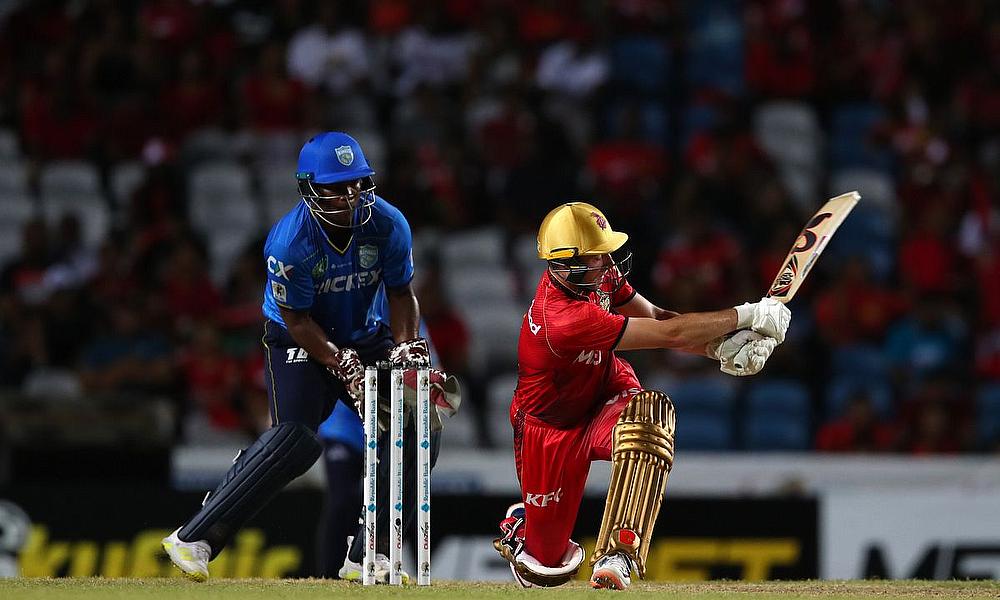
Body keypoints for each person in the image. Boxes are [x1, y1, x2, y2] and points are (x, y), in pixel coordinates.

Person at [162, 131, 457, 583]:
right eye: (336, 188)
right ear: (308, 189)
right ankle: (194, 537)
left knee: (419, 422)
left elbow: (401, 293)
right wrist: (341, 364)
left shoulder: (388, 223)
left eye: (356, 183)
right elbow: (297, 321)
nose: (350, 196)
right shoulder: (289, 244)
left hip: (364, 331)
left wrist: (404, 348)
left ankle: (369, 552)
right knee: (295, 440)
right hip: (298, 338)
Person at [493, 202, 790, 590]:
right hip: (550, 432)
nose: (606, 261)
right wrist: (745, 316)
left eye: (605, 252)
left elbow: (658, 318)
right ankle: (524, 526)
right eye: (595, 255)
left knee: (649, 418)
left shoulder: (598, 275)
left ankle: (620, 552)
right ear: (565, 264)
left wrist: (722, 349)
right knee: (546, 568)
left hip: (604, 393)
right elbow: (670, 336)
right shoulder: (561, 320)